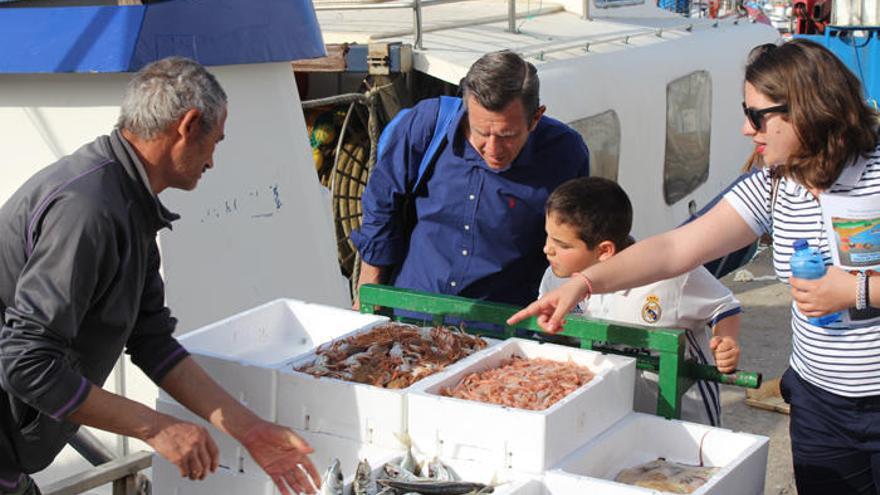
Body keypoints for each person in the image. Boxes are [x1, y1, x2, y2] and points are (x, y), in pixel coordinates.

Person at [509, 39, 880, 494]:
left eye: (757, 115)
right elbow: (672, 250)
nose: (747, 129)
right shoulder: (775, 185)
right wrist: (584, 283)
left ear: (806, 109)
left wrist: (857, 292)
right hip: (822, 407)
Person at [0, 57, 319, 495]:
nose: (212, 161)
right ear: (188, 126)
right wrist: (155, 428)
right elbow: (25, 363)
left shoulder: (128, 200)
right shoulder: (89, 210)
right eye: (216, 142)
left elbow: (151, 340)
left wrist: (250, 430)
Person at [351, 50, 590, 309]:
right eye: (481, 132)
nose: (493, 149)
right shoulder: (425, 125)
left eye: (507, 135)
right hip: (410, 311)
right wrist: (368, 295)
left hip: (500, 325)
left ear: (535, 118)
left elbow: (576, 237)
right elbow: (383, 204)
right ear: (466, 111)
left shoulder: (565, 153)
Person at [539, 177, 742, 426]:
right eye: (548, 236)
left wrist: (726, 340)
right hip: (608, 410)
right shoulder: (556, 278)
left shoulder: (670, 275)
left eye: (561, 244)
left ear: (604, 251)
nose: (547, 249)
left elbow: (724, 306)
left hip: (682, 412)